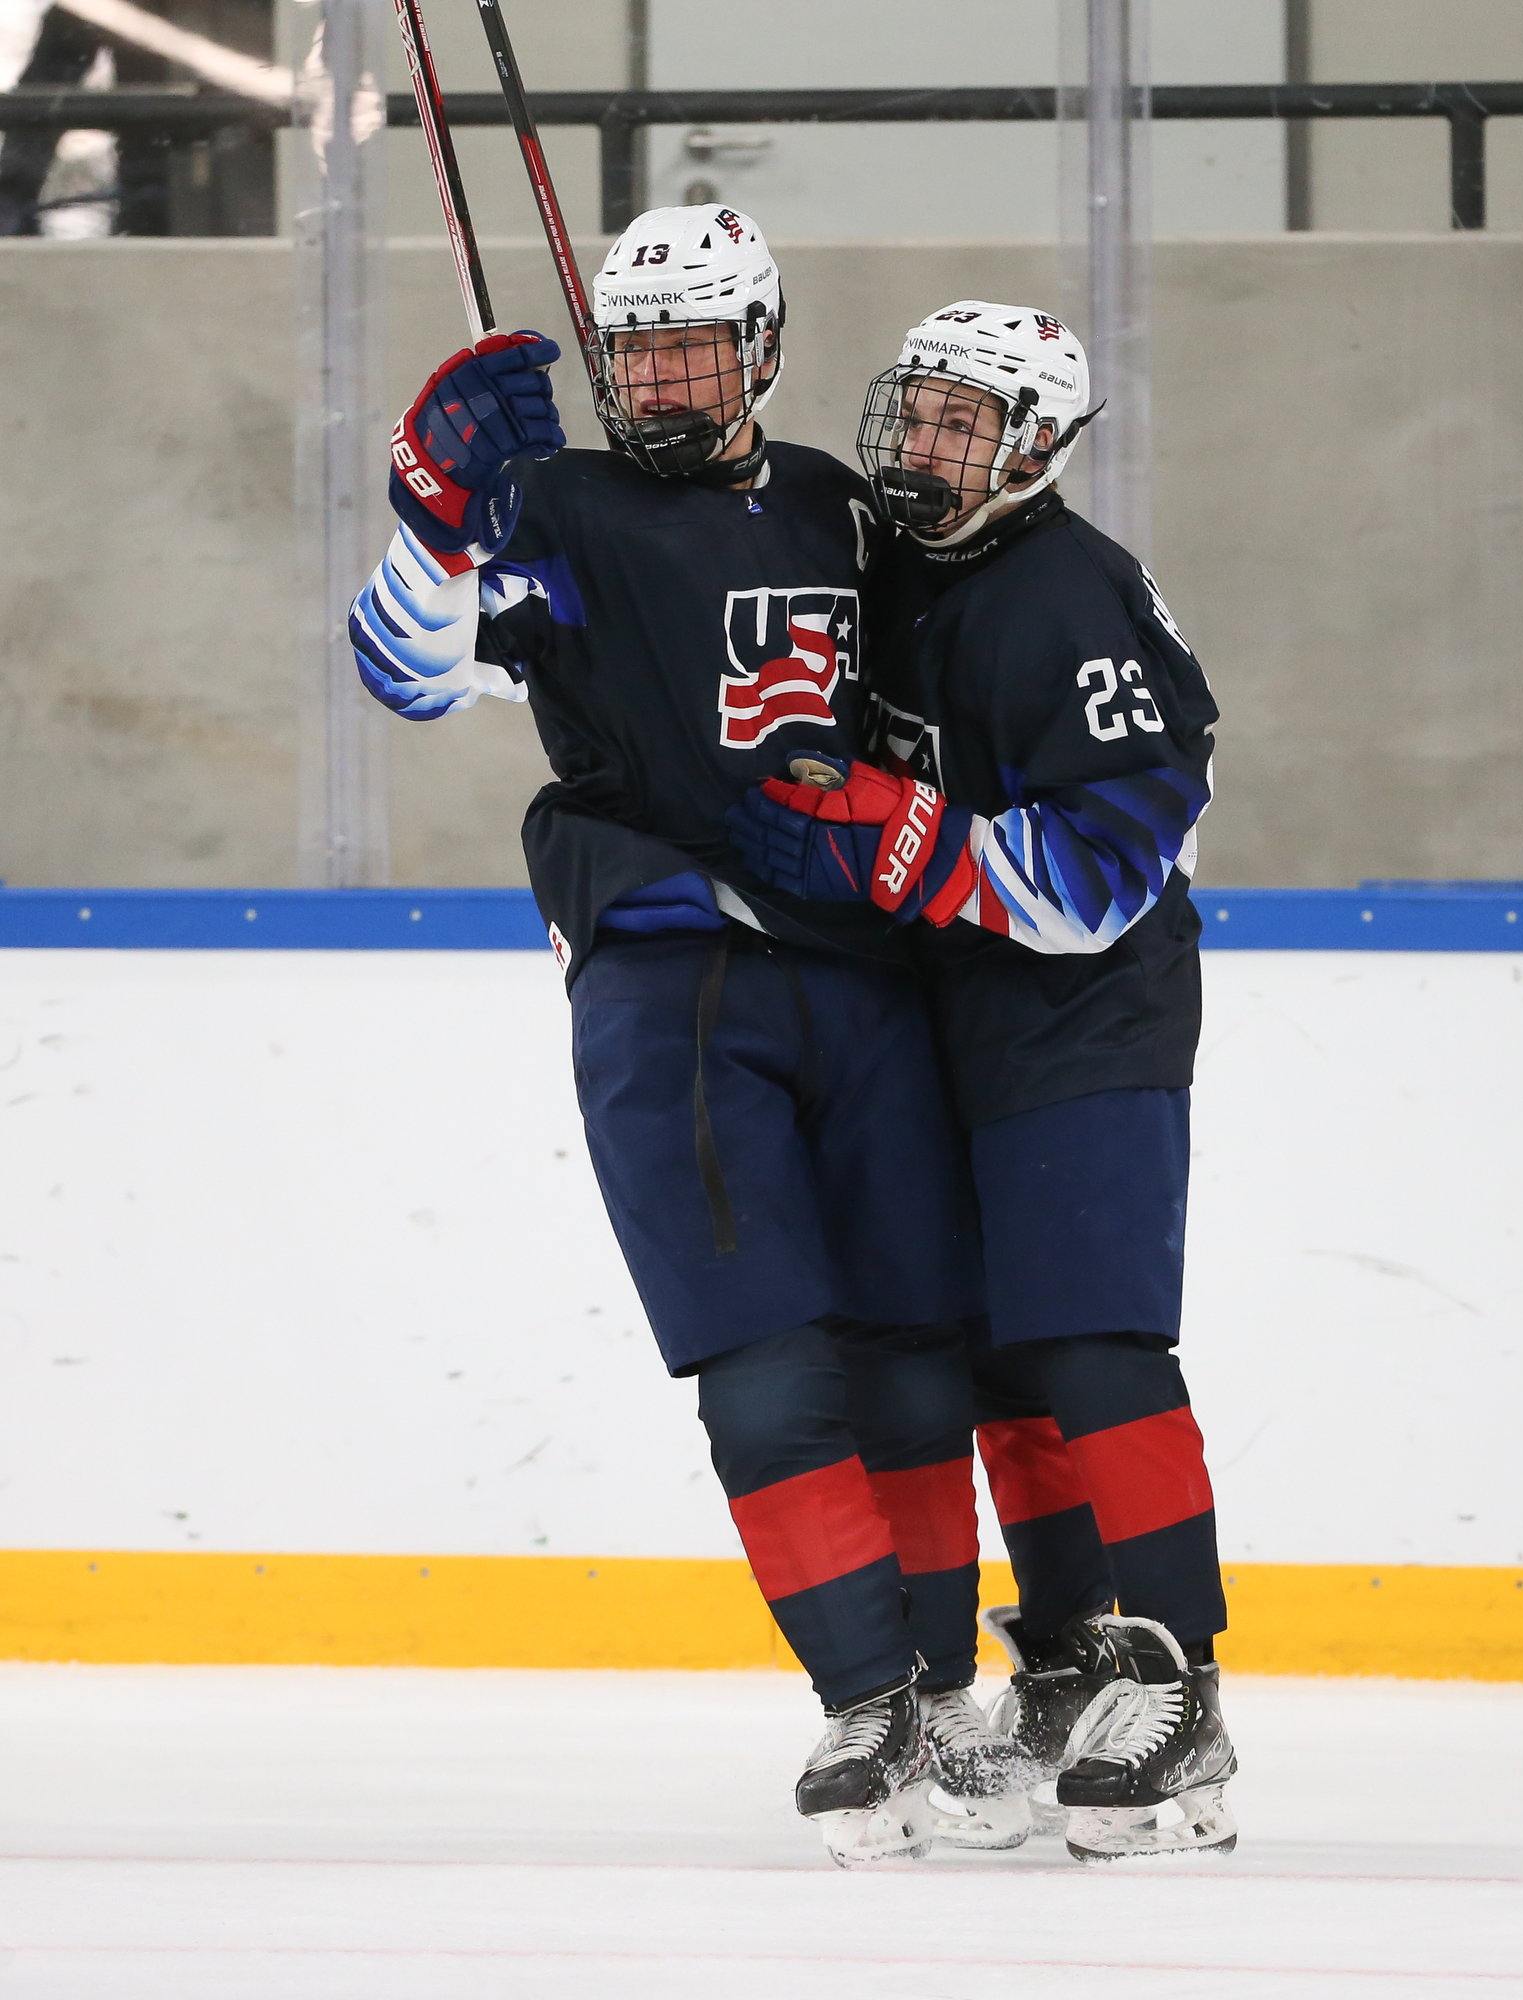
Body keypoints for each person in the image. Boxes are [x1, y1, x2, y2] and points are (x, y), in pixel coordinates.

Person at [348, 212, 1041, 1864]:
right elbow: (408, 677)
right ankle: (861, 1697)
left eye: (693, 348)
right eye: (636, 352)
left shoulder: (837, 505)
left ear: (763, 348)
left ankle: (945, 1691)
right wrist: (434, 523)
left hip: (861, 970)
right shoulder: (555, 508)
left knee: (912, 1351)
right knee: (762, 1362)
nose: (659, 379)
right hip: (670, 979)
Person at [726, 299, 1237, 1860]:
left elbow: (1098, 878)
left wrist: (892, 828)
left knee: (1091, 1343)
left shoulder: (1070, 600)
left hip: (1084, 1017)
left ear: (1038, 448)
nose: (926, 442)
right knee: (1001, 1363)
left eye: (967, 421)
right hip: (946, 1012)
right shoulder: (892, 570)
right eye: (919, 408)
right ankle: (1074, 1663)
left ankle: (1180, 1680)